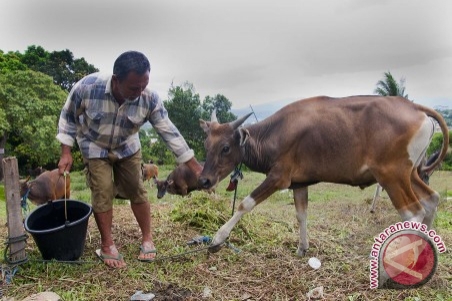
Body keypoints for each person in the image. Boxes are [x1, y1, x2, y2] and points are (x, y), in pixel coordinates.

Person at [56, 51, 203, 268]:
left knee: (137, 188)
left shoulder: (149, 98)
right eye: (134, 87)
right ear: (116, 80)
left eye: (144, 85)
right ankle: (107, 245)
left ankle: (147, 238)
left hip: (127, 146)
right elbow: (68, 116)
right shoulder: (88, 88)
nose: (140, 92)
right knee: (103, 190)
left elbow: (168, 132)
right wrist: (66, 152)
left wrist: (194, 166)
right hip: (94, 145)